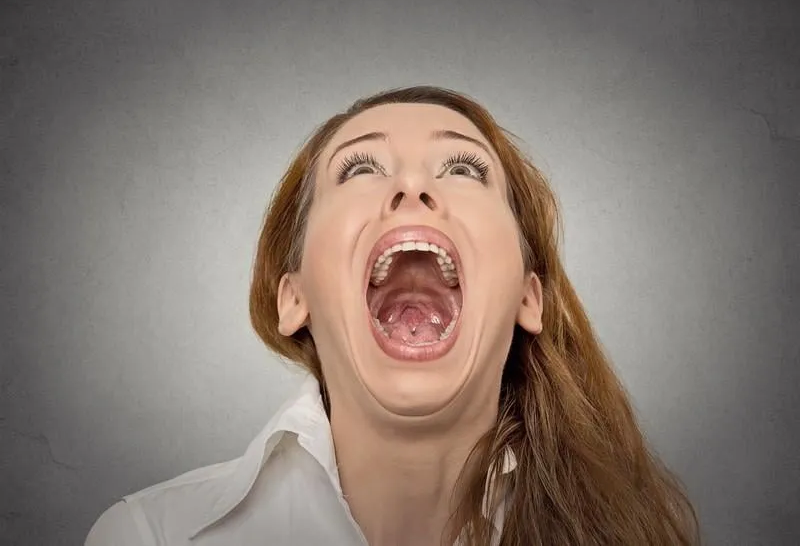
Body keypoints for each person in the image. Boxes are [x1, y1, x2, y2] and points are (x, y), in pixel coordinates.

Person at [85, 86, 700, 546]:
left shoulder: (637, 534)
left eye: (463, 169)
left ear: (527, 298)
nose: (411, 187)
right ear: (292, 297)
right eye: (359, 168)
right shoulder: (150, 537)